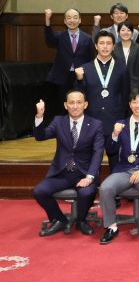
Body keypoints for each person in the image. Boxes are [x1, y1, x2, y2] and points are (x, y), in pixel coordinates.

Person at [33, 90, 104, 236]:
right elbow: (41, 136)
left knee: (87, 192)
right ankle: (59, 219)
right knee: (39, 191)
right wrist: (39, 116)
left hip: (83, 173)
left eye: (79, 102)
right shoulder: (59, 121)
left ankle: (81, 221)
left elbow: (98, 153)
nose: (75, 106)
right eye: (71, 103)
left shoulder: (96, 125)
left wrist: (90, 177)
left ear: (86, 104)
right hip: (61, 173)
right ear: (66, 105)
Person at [99, 88, 139, 244]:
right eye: (134, 102)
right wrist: (114, 135)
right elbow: (111, 150)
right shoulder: (121, 125)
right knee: (105, 188)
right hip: (124, 170)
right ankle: (111, 227)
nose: (138, 105)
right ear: (129, 104)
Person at [74, 31, 130, 172]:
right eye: (102, 43)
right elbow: (79, 97)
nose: (105, 47)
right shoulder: (85, 69)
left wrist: (123, 120)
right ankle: (91, 187)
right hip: (91, 120)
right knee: (91, 158)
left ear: (113, 46)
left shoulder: (122, 68)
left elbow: (125, 96)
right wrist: (79, 80)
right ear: (96, 46)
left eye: (108, 43)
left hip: (114, 120)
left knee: (115, 158)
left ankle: (115, 187)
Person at [43, 8, 95, 107]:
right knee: (62, 105)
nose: (72, 20)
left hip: (80, 76)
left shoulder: (87, 38)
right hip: (62, 77)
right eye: (69, 18)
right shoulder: (60, 36)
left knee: (79, 104)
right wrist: (47, 20)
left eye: (75, 18)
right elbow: (49, 39)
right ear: (65, 21)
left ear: (80, 20)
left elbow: (90, 60)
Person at [113, 21, 139, 90]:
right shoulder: (113, 48)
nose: (126, 33)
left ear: (132, 33)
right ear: (118, 32)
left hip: (136, 85)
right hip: (117, 84)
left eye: (128, 30)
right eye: (123, 30)